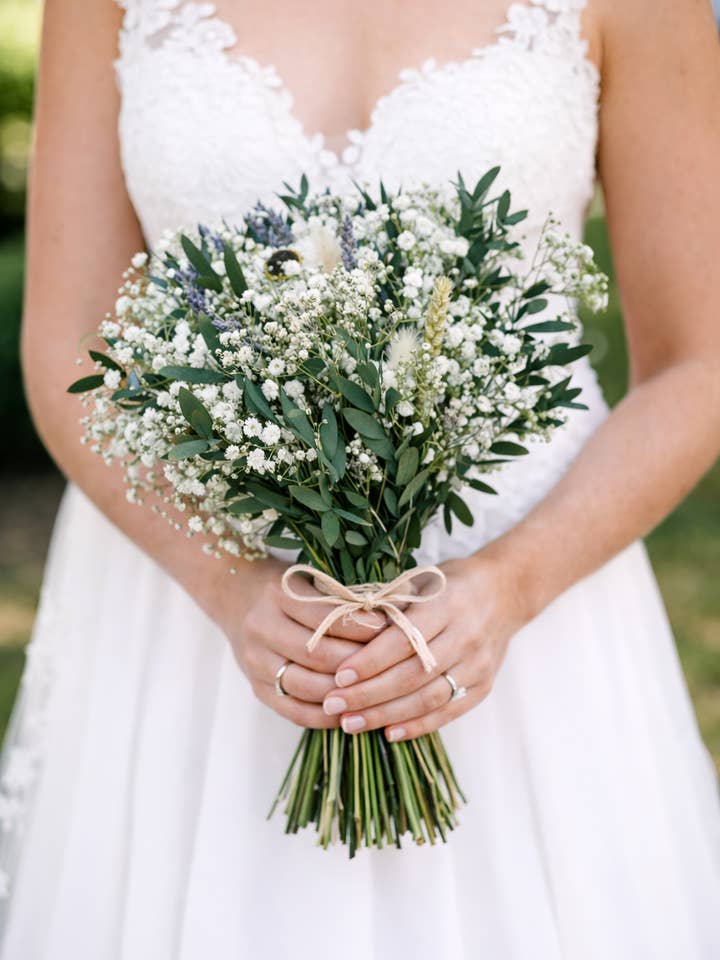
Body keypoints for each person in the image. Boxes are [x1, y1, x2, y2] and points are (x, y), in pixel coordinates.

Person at [1, 0, 720, 956]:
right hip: (189, 615)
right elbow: (69, 341)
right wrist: (228, 586)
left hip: (530, 626)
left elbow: (700, 360)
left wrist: (509, 588)